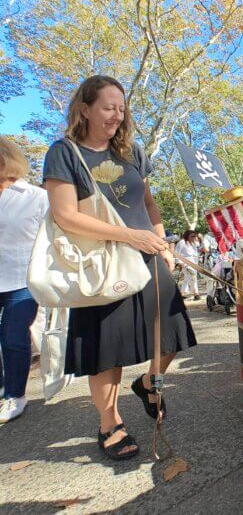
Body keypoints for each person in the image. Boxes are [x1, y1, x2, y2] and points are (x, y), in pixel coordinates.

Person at [43, 75, 196, 460]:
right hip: (101, 265)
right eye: (108, 107)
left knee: (174, 333)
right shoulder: (64, 152)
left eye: (121, 108)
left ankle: (147, 382)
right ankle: (109, 422)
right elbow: (65, 216)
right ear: (85, 108)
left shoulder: (132, 152)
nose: (117, 116)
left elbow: (148, 204)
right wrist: (129, 237)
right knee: (105, 350)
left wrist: (162, 243)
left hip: (148, 255)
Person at [0, 137, 49, 422]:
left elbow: (52, 240)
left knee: (13, 336)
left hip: (23, 278)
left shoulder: (35, 196)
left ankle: (15, 395)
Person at [175, 230, 201, 300]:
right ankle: (196, 293)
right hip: (185, 263)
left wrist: (198, 238)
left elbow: (198, 247)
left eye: (194, 236)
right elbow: (176, 253)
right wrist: (179, 262)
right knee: (192, 277)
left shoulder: (194, 243)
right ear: (187, 236)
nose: (193, 237)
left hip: (194, 263)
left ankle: (182, 293)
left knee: (187, 278)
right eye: (191, 236)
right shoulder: (182, 242)